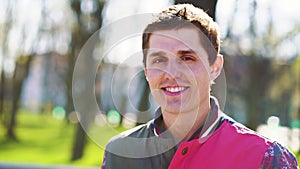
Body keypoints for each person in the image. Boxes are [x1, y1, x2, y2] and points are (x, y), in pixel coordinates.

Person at [101, 4, 298, 169]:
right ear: (146, 70)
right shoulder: (119, 154)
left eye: (187, 58)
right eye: (159, 60)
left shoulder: (264, 157)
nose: (171, 73)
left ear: (215, 67)